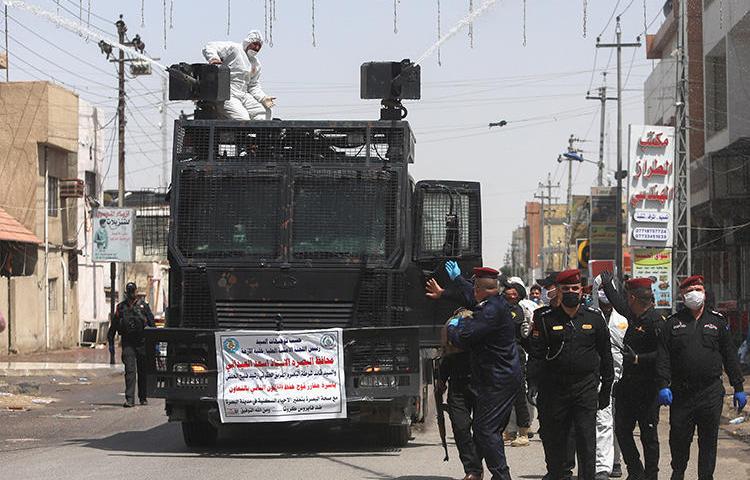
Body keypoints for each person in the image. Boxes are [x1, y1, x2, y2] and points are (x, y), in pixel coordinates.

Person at [526, 269, 614, 480]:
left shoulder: (594, 318)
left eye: (575, 288)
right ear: (558, 291)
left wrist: (606, 390)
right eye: (566, 289)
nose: (571, 292)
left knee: (586, 439)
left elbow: (606, 356)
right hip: (554, 389)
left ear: (581, 290)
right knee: (556, 439)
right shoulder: (544, 318)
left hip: (585, 388)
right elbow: (536, 355)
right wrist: (533, 384)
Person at [656, 274, 746, 480]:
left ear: (704, 293)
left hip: (710, 393)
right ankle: (678, 473)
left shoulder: (717, 322)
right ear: (682, 295)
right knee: (679, 439)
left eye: (698, 289)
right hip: (681, 393)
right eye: (689, 291)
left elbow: (729, 356)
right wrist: (663, 384)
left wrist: (738, 387)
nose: (694, 294)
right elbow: (663, 357)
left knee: (708, 441)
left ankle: (706, 477)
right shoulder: (672, 323)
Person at [445, 261, 521, 480]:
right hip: (497, 378)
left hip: (498, 380)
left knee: (486, 430)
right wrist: (458, 280)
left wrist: (454, 327)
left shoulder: (491, 311)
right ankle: (491, 474)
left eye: (474, 287)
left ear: (481, 289)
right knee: (486, 429)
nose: (472, 292)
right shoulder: (492, 302)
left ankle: (501, 476)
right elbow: (472, 296)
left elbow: (465, 337)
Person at [599, 272, 664, 480]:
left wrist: (638, 359)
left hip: (648, 388)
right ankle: (636, 471)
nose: (626, 300)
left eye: (628, 296)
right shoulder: (633, 315)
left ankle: (651, 475)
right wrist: (607, 284)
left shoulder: (657, 321)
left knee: (648, 435)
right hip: (628, 386)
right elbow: (618, 304)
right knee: (622, 430)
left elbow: (664, 355)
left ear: (634, 298)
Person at [426, 277, 483, 480]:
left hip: (482, 382)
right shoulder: (454, 321)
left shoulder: (489, 317)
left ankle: (477, 466)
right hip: (458, 382)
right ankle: (472, 470)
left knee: (483, 429)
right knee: (460, 427)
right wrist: (441, 380)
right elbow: (447, 355)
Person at [591, 277, 628, 479]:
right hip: (598, 377)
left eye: (607, 288)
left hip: (621, 378)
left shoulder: (624, 318)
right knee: (603, 421)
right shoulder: (590, 316)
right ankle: (602, 466)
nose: (604, 293)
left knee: (618, 422)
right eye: (600, 289)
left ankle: (616, 461)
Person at [202, 30, 276, 121]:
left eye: (259, 46)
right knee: (243, 119)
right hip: (228, 95)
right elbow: (210, 46)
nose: (257, 48)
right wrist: (213, 58)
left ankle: (258, 135)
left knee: (265, 112)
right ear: (248, 42)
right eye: (255, 44)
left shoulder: (256, 64)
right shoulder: (235, 49)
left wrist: (263, 98)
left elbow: (253, 86)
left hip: (244, 95)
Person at [108, 282, 155, 407]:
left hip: (142, 342)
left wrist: (154, 345)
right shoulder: (121, 308)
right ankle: (130, 399)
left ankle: (143, 397)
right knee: (130, 371)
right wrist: (111, 349)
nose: (131, 294)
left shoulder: (143, 307)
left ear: (136, 292)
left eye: (132, 291)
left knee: (142, 371)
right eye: (129, 291)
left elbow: (153, 325)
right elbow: (113, 328)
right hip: (128, 342)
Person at [502, 278, 535, 448]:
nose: (509, 292)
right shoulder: (498, 306)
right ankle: (507, 430)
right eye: (507, 290)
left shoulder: (517, 310)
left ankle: (523, 431)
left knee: (519, 395)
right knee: (500, 395)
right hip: (499, 355)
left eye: (513, 291)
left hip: (515, 354)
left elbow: (521, 333)